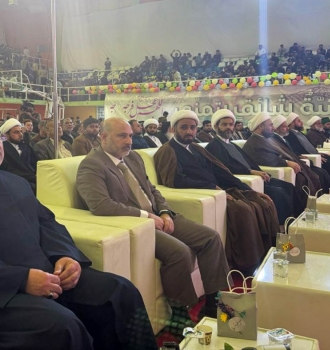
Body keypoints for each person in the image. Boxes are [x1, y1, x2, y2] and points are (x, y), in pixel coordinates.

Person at [0, 100, 156, 350]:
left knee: (121, 291)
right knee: (61, 325)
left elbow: (47, 223)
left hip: (48, 274)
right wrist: (21, 279)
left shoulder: (16, 183)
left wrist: (65, 256)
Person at [77, 117, 229, 318]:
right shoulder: (91, 164)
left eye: (130, 136)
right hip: (136, 224)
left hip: (158, 215)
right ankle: (181, 316)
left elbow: (152, 190)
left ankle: (213, 304)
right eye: (122, 136)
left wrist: (164, 212)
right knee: (180, 253)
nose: (129, 141)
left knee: (210, 237)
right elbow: (100, 205)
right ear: (103, 137)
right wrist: (145, 216)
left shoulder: (133, 157)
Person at [154, 110, 278, 272]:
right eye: (184, 127)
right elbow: (174, 180)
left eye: (192, 127)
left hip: (220, 189)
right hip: (208, 192)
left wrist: (249, 190)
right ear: (173, 129)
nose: (189, 131)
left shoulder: (196, 148)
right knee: (243, 210)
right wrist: (211, 188)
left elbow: (221, 172)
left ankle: (269, 253)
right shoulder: (167, 150)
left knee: (263, 202)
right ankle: (248, 265)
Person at [206, 110, 300, 224]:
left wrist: (258, 172)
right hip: (239, 183)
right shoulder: (214, 146)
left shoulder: (231, 144)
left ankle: (297, 220)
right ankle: (282, 225)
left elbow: (247, 161)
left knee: (288, 186)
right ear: (216, 126)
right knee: (278, 192)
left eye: (230, 124)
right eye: (224, 124)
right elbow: (224, 169)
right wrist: (250, 172)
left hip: (254, 178)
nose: (228, 127)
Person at [242, 113, 323, 201]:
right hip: (269, 174)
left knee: (314, 175)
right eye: (270, 125)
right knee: (300, 182)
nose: (273, 128)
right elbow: (266, 158)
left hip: (289, 168)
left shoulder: (265, 139)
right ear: (261, 126)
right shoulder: (254, 142)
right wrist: (286, 162)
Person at [271, 115, 330, 193]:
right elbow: (282, 155)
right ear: (277, 129)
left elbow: (293, 151)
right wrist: (292, 160)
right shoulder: (275, 139)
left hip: (298, 161)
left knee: (322, 172)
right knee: (318, 174)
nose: (287, 128)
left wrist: (299, 156)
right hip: (293, 164)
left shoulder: (282, 137)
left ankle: (326, 193)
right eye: (285, 127)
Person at [284, 113, 330, 186]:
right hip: (309, 157)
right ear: (292, 123)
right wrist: (316, 156)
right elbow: (300, 150)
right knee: (328, 165)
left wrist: (318, 153)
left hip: (315, 154)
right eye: (299, 121)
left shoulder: (300, 133)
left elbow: (310, 146)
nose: (302, 122)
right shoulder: (290, 135)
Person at [0, 118, 37, 193]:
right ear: (7, 135)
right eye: (16, 132)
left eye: (21, 131)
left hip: (33, 179)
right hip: (16, 182)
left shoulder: (25, 146)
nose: (20, 134)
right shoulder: (3, 149)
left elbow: (35, 163)